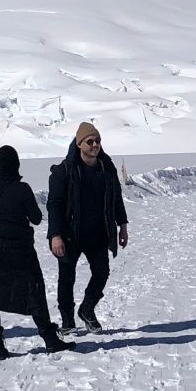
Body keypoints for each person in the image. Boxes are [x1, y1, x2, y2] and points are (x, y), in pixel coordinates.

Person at [0, 145, 75, 358]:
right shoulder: (22, 189)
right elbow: (36, 218)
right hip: (19, 250)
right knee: (35, 292)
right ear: (16, 165)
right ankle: (50, 339)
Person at [47, 121, 130, 331]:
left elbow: (116, 199)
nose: (95, 145)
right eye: (90, 141)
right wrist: (55, 235)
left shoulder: (106, 167)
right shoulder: (64, 171)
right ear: (79, 144)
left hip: (98, 233)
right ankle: (68, 322)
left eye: (97, 141)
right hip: (70, 235)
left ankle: (87, 308)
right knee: (67, 278)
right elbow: (54, 205)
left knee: (102, 273)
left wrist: (122, 225)